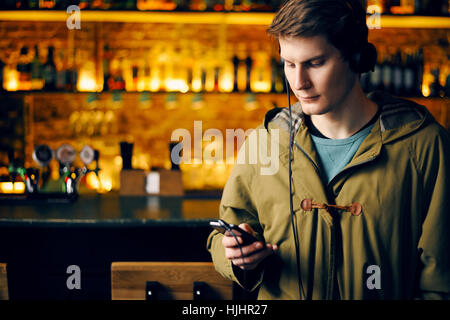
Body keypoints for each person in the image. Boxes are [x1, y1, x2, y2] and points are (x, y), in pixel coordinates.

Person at [207, 0, 450, 299]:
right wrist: (236, 255)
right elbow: (222, 237)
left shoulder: (425, 145)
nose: (299, 83)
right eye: (289, 64)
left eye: (315, 63)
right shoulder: (264, 143)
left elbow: (440, 280)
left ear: (357, 58)